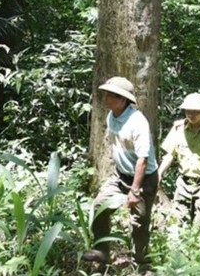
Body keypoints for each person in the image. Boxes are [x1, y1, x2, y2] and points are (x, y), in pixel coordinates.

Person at [83, 77, 159, 268]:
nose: (105, 99)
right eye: (106, 95)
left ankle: (141, 263)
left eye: (110, 96)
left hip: (143, 178)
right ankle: (102, 251)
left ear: (123, 100)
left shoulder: (138, 122)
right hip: (121, 175)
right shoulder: (112, 116)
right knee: (100, 206)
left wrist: (134, 191)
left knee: (139, 221)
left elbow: (143, 159)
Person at [157, 93, 200, 223]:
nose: (191, 114)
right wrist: (159, 173)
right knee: (178, 221)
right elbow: (169, 155)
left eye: (195, 112)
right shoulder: (178, 128)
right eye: (188, 111)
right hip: (183, 183)